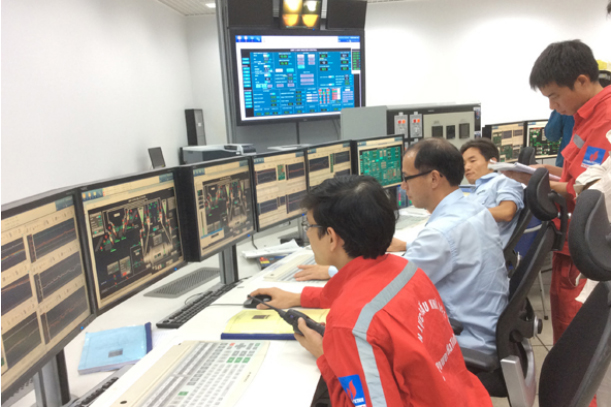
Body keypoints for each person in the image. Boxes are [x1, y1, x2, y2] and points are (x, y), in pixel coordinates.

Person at [250, 175, 492, 407]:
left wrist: (326, 356)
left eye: (309, 225)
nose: (308, 233)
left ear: (331, 237)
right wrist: (299, 297)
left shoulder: (349, 324)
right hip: (464, 397)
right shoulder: (405, 269)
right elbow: (364, 293)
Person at [297, 139, 508, 354]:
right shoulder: (473, 207)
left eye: (407, 178)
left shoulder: (441, 233)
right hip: (485, 325)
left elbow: (382, 287)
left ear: (434, 178)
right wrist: (406, 245)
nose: (403, 186)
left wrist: (331, 273)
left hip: (466, 341)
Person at [505, 40, 610, 345]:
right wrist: (536, 171)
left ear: (582, 80)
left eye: (554, 96)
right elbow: (574, 174)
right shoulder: (584, 117)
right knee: (565, 327)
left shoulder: (606, 122)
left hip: (585, 245)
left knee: (575, 338)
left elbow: (589, 192)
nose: (552, 106)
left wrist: (536, 183)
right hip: (570, 241)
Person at [460, 138, 524, 247]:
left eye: (472, 161)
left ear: (492, 162)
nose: (466, 167)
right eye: (464, 163)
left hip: (482, 251)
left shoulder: (503, 181)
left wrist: (465, 215)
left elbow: (507, 212)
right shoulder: (475, 191)